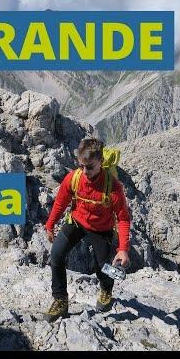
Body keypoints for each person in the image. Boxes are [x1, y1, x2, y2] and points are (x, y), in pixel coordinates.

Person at [42, 137, 131, 322]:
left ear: (101, 162)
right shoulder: (74, 178)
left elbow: (123, 219)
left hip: (101, 229)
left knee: (103, 268)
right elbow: (60, 202)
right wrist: (50, 224)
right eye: (81, 165)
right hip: (76, 222)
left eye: (89, 167)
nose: (84, 171)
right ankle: (60, 301)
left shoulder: (113, 188)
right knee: (56, 255)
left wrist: (123, 249)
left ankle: (106, 289)